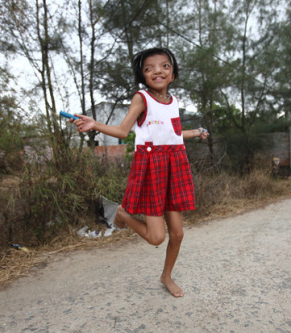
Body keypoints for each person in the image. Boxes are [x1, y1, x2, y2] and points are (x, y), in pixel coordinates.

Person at [72, 47, 208, 297]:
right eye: (149, 68)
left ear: (173, 74)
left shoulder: (174, 101)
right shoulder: (142, 99)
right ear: (143, 76)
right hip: (153, 169)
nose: (157, 70)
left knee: (177, 233)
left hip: (174, 167)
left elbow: (173, 133)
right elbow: (124, 132)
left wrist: (196, 133)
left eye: (164, 66)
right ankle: (122, 214)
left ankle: (166, 276)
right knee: (156, 237)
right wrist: (95, 124)